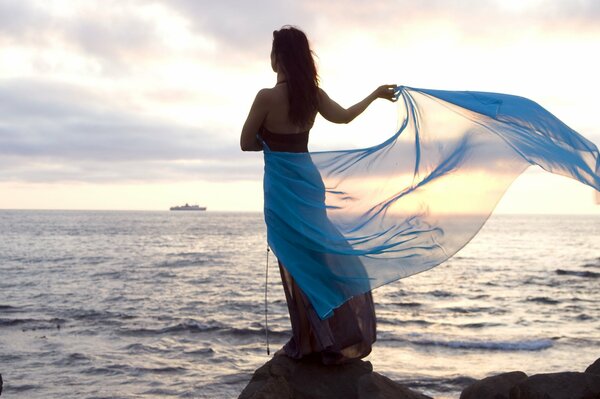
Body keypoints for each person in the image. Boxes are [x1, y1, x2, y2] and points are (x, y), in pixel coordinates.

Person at [240, 25, 397, 364]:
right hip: (309, 183)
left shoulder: (266, 97)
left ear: (278, 57)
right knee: (319, 258)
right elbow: (342, 118)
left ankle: (309, 339)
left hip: (282, 188)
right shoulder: (312, 95)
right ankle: (334, 337)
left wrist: (269, 145)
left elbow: (245, 142)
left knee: (295, 262)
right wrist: (374, 95)